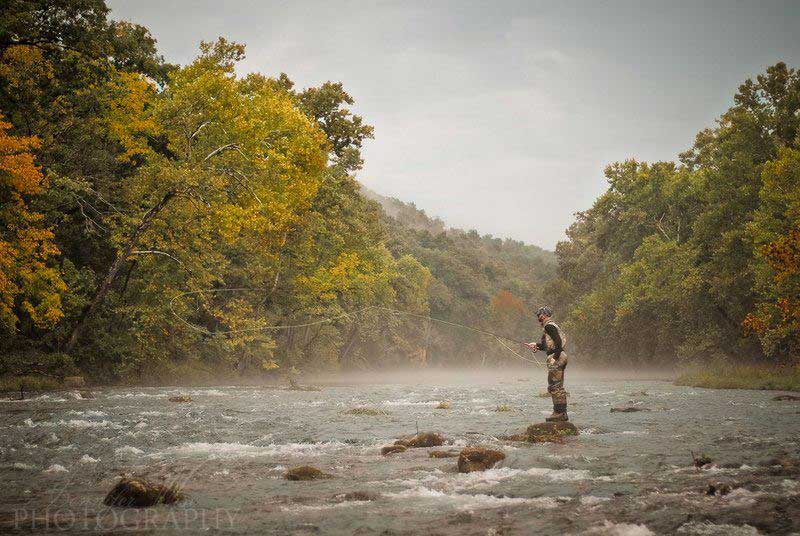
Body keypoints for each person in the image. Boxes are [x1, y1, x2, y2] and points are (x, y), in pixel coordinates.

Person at [524, 306, 569, 422]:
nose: (538, 316)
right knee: (557, 386)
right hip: (560, 356)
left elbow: (558, 342)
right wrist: (536, 345)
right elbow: (547, 346)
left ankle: (559, 413)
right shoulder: (550, 326)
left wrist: (555, 357)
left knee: (554, 386)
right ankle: (561, 413)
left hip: (557, 357)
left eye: (539, 314)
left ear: (544, 314)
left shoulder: (549, 326)